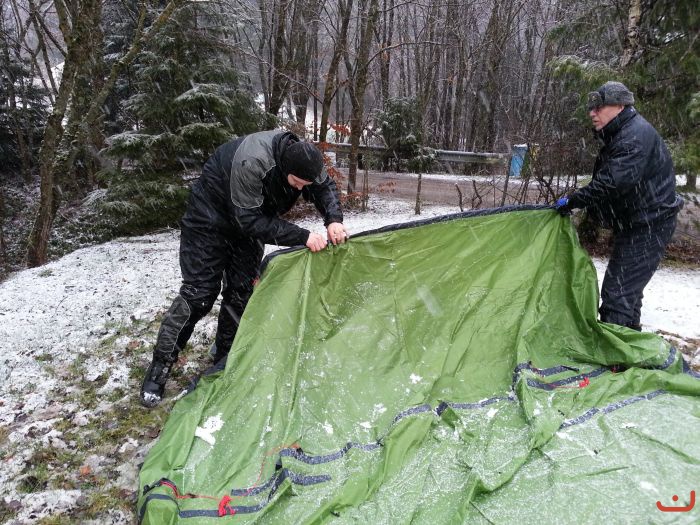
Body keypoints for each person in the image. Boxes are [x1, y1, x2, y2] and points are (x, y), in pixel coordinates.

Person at [140, 130, 348, 407]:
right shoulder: (252, 161)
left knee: (240, 294)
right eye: (297, 183)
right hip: (209, 219)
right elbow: (248, 221)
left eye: (304, 184)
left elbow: (323, 187)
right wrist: (302, 236)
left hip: (250, 220)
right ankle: (159, 368)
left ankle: (225, 358)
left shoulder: (308, 160)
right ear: (284, 168)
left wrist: (333, 219)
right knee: (199, 295)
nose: (300, 190)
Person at [556, 81, 683, 331]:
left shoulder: (634, 137)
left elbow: (612, 182)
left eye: (599, 107)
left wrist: (574, 201)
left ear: (620, 106)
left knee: (617, 296)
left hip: (649, 225)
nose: (592, 113)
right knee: (627, 294)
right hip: (639, 222)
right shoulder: (625, 132)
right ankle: (629, 345)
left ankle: (616, 351)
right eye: (591, 108)